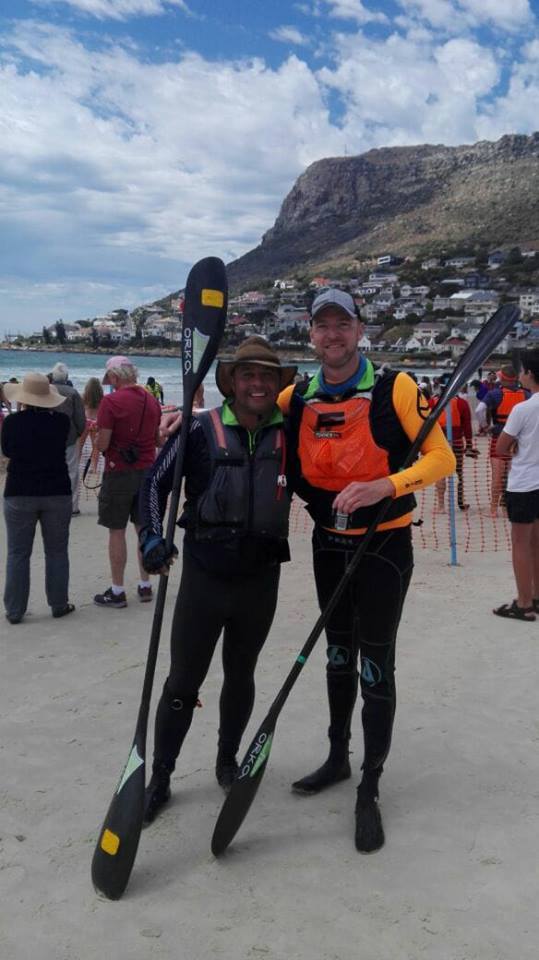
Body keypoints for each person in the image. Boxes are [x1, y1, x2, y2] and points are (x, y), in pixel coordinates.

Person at [278, 289, 455, 853]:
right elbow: (243, 417)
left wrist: (387, 485)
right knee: (337, 654)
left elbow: (443, 458)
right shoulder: (296, 396)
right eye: (322, 325)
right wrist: (184, 420)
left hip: (384, 547)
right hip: (328, 545)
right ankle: (337, 757)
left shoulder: (395, 388)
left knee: (375, 664)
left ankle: (370, 785)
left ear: (359, 331)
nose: (332, 335)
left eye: (343, 324)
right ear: (311, 334)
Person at [138, 337, 296, 822]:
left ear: (278, 384)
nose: (257, 384)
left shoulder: (291, 434)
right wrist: (150, 536)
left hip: (260, 580)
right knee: (183, 682)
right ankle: (161, 777)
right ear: (231, 382)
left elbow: (324, 482)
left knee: (241, 675)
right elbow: (153, 484)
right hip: (205, 579)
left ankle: (227, 761)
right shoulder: (197, 430)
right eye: (248, 375)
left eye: (267, 376)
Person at [2, 373, 75, 624]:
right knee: (57, 551)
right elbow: (67, 442)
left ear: (24, 397)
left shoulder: (12, 422)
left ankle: (15, 610)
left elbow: (7, 450)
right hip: (57, 489)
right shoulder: (61, 422)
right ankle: (59, 603)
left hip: (19, 490)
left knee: (17, 553)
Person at [93, 356, 161, 608]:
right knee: (144, 529)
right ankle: (145, 585)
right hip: (147, 471)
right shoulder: (152, 401)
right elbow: (157, 440)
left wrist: (96, 439)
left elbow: (103, 444)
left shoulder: (110, 402)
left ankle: (118, 590)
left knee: (117, 531)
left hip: (119, 472)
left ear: (114, 376)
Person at [492, 349, 539, 622]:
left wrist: (517, 446)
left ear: (529, 373)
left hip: (524, 483)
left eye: (522, 370)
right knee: (537, 543)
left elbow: (501, 447)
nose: (520, 375)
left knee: (521, 544)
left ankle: (524, 603)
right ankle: (536, 596)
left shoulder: (523, 408)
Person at [484, 364, 528, 517]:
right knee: (510, 476)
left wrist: (485, 426)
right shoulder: (526, 394)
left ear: (502, 378)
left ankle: (493, 509)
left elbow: (480, 410)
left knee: (497, 476)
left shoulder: (495, 394)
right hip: (518, 440)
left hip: (499, 437)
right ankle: (505, 507)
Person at [49, 363, 86, 516]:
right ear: (67, 377)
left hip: (48, 436)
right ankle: (72, 506)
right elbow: (80, 417)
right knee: (71, 471)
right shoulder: (73, 392)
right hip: (69, 435)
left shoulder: (47, 390)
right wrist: (78, 432)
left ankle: (51, 503)